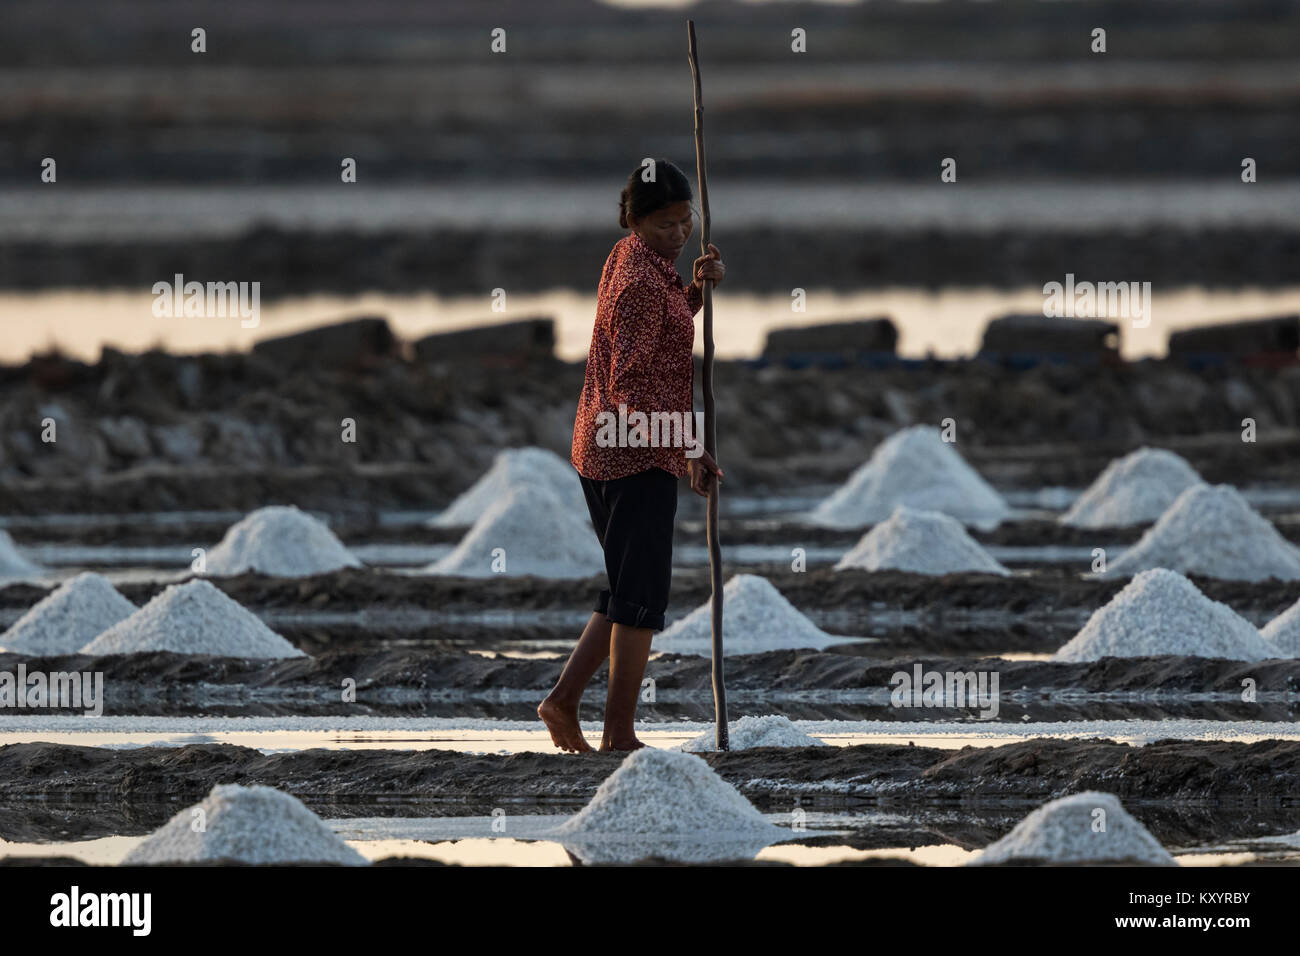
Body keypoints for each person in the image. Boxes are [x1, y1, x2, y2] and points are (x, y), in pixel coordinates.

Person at [538, 158, 725, 753]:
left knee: (626, 589)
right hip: (632, 456)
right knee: (641, 600)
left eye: (685, 220)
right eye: (665, 225)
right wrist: (689, 447)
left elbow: (664, 330)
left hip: (602, 448)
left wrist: (696, 292)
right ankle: (619, 732)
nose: (679, 233)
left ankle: (563, 701)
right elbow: (630, 386)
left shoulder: (635, 260)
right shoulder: (642, 278)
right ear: (636, 222)